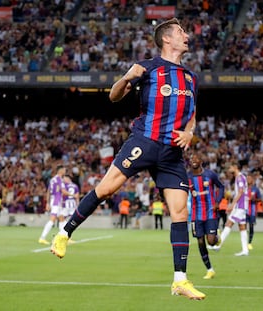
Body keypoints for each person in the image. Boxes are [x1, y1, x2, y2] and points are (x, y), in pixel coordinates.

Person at [50, 18, 206, 300]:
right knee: (107, 188)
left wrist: (190, 133)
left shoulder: (191, 78)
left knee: (180, 212)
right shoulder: (148, 68)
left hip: (171, 153)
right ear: (167, 40)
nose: (187, 36)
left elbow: (192, 115)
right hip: (144, 141)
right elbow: (113, 96)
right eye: (181, 32)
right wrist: (125, 77)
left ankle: (180, 280)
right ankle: (64, 232)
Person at [187, 152, 224, 279]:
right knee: (200, 241)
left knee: (211, 241)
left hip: (210, 212)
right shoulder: (188, 177)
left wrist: (218, 201)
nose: (193, 160)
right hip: (195, 214)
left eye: (196, 158)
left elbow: (221, 187)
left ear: (201, 161)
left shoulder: (210, 174)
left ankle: (216, 237)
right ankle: (210, 269)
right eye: (191, 159)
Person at [212, 163, 250, 256]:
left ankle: (218, 245)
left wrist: (232, 204)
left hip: (239, 206)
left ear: (235, 167)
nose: (229, 170)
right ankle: (245, 250)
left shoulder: (240, 178)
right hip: (242, 205)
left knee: (228, 223)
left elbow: (241, 192)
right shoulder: (239, 177)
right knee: (242, 227)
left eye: (230, 167)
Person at [38, 164, 70, 245]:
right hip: (56, 201)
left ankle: (64, 238)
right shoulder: (59, 179)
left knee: (62, 218)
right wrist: (73, 195)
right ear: (61, 171)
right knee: (52, 220)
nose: (65, 171)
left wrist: (48, 203)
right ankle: (42, 238)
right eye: (64, 170)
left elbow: (48, 191)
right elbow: (63, 191)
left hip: (54, 201)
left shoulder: (53, 179)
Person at [247, 173, 261, 250]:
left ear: (252, 180)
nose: (248, 180)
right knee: (243, 226)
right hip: (244, 210)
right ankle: (244, 242)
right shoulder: (244, 188)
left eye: (249, 178)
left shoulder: (255, 189)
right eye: (247, 178)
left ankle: (249, 242)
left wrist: (254, 199)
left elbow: (260, 199)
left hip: (252, 210)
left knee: (251, 226)